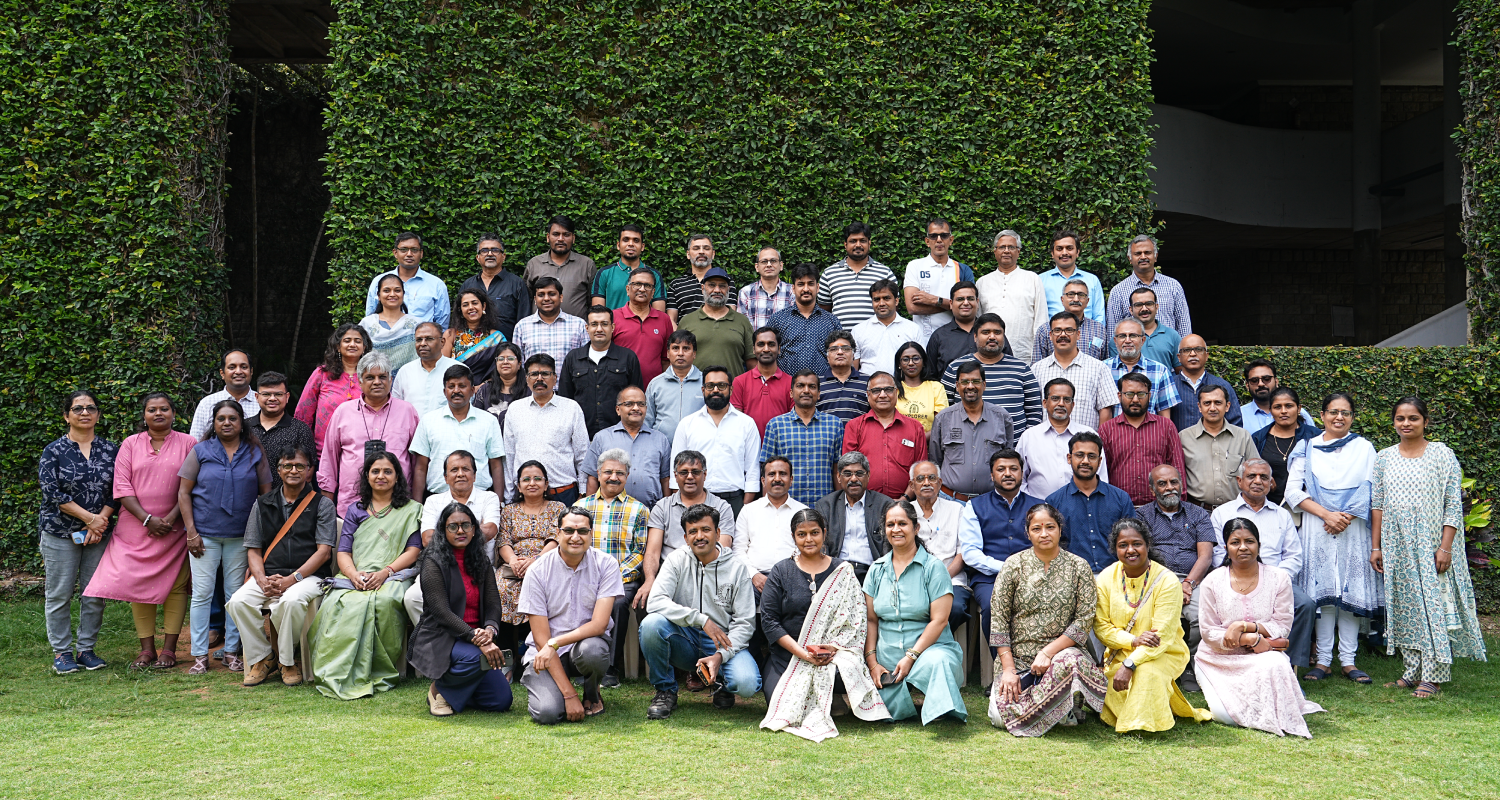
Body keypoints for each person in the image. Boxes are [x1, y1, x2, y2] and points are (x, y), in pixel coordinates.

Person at [1371, 396, 1487, 697]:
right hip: (1396, 544)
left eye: (1413, 418)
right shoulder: (1384, 457)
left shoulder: (1441, 454)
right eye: (1400, 418)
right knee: (1404, 606)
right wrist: (1376, 546)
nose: (1406, 424)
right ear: (1393, 421)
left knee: (1432, 607)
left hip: (1432, 544)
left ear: (1425, 421)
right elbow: (1378, 504)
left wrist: (1445, 547)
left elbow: (1452, 503)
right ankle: (1411, 671)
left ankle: (1433, 676)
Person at [760, 509, 892, 739]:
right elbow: (769, 621)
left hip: (834, 654)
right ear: (793, 536)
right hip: (789, 655)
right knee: (778, 701)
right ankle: (830, 703)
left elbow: (856, 620)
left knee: (844, 676)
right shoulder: (782, 571)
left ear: (824, 533)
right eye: (802, 534)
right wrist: (804, 653)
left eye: (814, 533)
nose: (808, 539)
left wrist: (832, 648)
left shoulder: (842, 570)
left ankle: (832, 698)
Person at [85, 393, 193, 670]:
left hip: (175, 527)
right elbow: (121, 487)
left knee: (176, 587)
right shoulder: (130, 444)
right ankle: (147, 650)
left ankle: (169, 650)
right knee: (138, 588)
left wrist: (168, 519)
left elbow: (193, 486)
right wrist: (147, 520)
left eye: (164, 409)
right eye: (152, 410)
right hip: (135, 527)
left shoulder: (189, 443)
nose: (158, 414)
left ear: (173, 413)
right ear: (143, 415)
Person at [1195, 517, 1324, 737]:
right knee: (1226, 716)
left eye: (1249, 541)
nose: (1243, 547)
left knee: (1275, 663)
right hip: (1218, 660)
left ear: (1259, 545)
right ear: (1226, 547)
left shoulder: (1278, 578)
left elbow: (1282, 626)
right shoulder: (1212, 581)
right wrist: (1249, 639)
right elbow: (1208, 631)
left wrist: (1243, 626)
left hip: (1263, 656)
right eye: (1235, 542)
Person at [310, 451, 423, 699]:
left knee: (384, 601)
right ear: (367, 476)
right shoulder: (356, 510)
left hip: (394, 575)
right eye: (375, 471)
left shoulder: (411, 509)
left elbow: (414, 550)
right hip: (355, 575)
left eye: (387, 471)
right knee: (336, 604)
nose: (381, 476)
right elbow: (343, 551)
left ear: (397, 477)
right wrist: (352, 575)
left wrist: (385, 572)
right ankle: (338, 669)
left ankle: (379, 669)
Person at [987, 503, 1107, 735]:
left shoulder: (1078, 566)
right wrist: (1009, 669)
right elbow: (999, 619)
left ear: (1060, 530)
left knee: (1070, 660)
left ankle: (1061, 705)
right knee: (1000, 718)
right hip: (1020, 658)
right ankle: (1058, 709)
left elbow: (1083, 620)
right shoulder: (1013, 565)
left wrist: (1048, 652)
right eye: (1036, 528)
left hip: (1061, 656)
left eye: (1050, 527)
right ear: (1028, 533)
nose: (1044, 534)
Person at [228, 444, 335, 687]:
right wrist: (262, 579)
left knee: (291, 600)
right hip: (270, 574)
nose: (294, 470)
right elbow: (253, 550)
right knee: (238, 602)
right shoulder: (262, 503)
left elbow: (324, 553)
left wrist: (292, 579)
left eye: (300, 466)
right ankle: (263, 657)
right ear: (279, 470)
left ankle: (287, 661)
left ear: (309, 470)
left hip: (310, 576)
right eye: (288, 465)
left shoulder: (322, 504)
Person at [642, 504, 761, 718]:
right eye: (693, 532)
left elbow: (745, 623)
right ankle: (665, 690)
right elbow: (655, 601)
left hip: (722, 640)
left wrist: (720, 656)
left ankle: (723, 684)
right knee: (651, 624)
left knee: (747, 684)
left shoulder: (736, 567)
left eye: (706, 530)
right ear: (686, 538)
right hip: (684, 637)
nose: (699, 536)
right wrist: (699, 619)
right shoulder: (676, 559)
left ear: (717, 533)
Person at [1093, 519, 1212, 732]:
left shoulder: (1167, 581)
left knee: (1146, 672)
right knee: (1120, 684)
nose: (1130, 550)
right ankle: (1148, 708)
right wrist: (1133, 641)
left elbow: (1163, 636)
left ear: (1148, 545)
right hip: (1120, 652)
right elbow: (1101, 627)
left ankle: (1141, 724)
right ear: (1115, 549)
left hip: (1164, 652)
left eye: (1136, 543)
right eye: (1123, 545)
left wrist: (1131, 664)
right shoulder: (1105, 578)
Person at [179, 399, 271, 674]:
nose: (227, 423)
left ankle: (231, 651)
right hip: (204, 536)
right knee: (202, 595)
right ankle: (198, 656)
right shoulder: (201, 451)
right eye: (221, 419)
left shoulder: (255, 452)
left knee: (235, 595)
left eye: (233, 418)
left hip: (240, 538)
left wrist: (258, 535)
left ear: (242, 423)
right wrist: (191, 533)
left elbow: (265, 496)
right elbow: (183, 493)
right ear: (214, 423)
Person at [863, 500, 967, 724]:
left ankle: (941, 712)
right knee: (882, 713)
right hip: (887, 654)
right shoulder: (876, 569)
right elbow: (871, 620)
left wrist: (911, 656)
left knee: (938, 661)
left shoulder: (933, 567)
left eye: (903, 523)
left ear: (916, 528)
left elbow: (939, 621)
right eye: (890, 525)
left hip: (928, 650)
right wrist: (872, 662)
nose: (896, 529)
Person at [38, 390, 119, 674]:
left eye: (91, 408)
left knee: (94, 593)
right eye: (78, 408)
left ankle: (86, 649)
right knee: (59, 594)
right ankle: (62, 653)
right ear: (66, 415)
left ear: (98, 415)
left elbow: (118, 490)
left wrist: (100, 522)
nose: (85, 413)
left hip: (99, 534)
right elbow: (51, 493)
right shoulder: (53, 451)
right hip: (60, 533)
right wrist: (89, 519)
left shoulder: (111, 450)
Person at [518, 506, 622, 723]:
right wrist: (569, 695)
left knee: (593, 650)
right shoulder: (537, 571)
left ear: (591, 534)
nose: (576, 537)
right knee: (547, 713)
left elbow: (599, 625)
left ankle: (592, 693)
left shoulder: (606, 565)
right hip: (545, 654)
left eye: (583, 531)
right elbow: (540, 639)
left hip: (581, 649)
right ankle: (561, 692)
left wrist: (555, 642)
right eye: (568, 531)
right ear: (558, 534)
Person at [410, 502, 513, 716]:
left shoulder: (480, 560)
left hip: (476, 636)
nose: (460, 531)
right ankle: (439, 690)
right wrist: (477, 637)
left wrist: (490, 631)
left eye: (466, 525)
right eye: (453, 526)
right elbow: (441, 612)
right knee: (476, 659)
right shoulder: (432, 562)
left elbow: (493, 603)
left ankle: (459, 692)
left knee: (500, 701)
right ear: (443, 530)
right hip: (443, 635)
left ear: (474, 529)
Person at [1210, 460, 1315, 670]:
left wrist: (1273, 580)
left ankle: (1289, 669)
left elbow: (1294, 556)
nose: (1258, 481)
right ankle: (1235, 664)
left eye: (1264, 477)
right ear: (1240, 481)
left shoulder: (1281, 515)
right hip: (1235, 580)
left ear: (1271, 483)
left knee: (1305, 604)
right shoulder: (1222, 513)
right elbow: (1218, 555)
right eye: (1251, 476)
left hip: (1276, 581)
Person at [1133, 464, 1216, 690]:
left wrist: (1188, 584)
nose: (1169, 488)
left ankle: (1189, 663)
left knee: (1201, 616)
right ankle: (1162, 662)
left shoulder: (1199, 514)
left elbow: (1206, 556)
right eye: (1162, 483)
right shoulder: (1141, 515)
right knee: (1156, 617)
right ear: (1152, 490)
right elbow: (1142, 556)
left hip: (1194, 579)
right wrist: (1171, 585)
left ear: (1181, 485)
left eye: (1173, 482)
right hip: (1156, 579)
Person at [575, 448, 649, 687]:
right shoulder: (581, 507)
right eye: (608, 472)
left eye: (619, 472)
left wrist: (614, 576)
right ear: (598, 473)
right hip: (585, 575)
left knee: (617, 603)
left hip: (623, 580)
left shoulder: (639, 510)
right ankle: (576, 664)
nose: (613, 477)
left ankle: (609, 669)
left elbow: (640, 551)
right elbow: (573, 547)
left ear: (627, 475)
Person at [316, 352, 420, 518]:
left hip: (398, 508)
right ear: (360, 381)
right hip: (352, 507)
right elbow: (329, 461)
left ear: (390, 380)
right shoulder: (343, 412)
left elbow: (417, 463)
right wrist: (326, 513)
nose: (377, 382)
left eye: (382, 377)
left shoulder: (407, 411)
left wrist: (416, 504)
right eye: (370, 377)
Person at [406, 451, 504, 626]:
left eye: (466, 469)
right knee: (413, 598)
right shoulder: (433, 501)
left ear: (474, 475)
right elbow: (427, 539)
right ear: (445, 477)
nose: (460, 473)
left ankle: (471, 639)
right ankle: (439, 641)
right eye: (454, 470)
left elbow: (490, 530)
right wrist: (471, 529)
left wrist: (446, 531)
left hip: (478, 569)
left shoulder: (489, 498)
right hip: (442, 570)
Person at [960, 450, 1043, 639]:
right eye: (1001, 469)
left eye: (1014, 468)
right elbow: (970, 553)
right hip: (990, 578)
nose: (1008, 473)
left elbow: (1047, 546)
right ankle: (1002, 664)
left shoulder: (1039, 507)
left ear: (1022, 473)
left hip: (1033, 575)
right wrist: (1006, 568)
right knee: (993, 606)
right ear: (992, 475)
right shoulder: (975, 506)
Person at [644, 451, 740, 605]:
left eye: (695, 472)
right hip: (670, 576)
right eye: (683, 472)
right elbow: (652, 552)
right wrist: (650, 579)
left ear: (705, 474)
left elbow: (722, 549)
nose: (689, 477)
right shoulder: (662, 507)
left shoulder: (721, 507)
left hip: (708, 574)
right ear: (675, 476)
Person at [671, 366, 761, 517]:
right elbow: (676, 471)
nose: (715, 390)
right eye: (710, 386)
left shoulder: (747, 424)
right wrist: (684, 505)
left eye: (722, 385)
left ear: (731, 390)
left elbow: (752, 470)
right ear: (703, 390)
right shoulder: (687, 424)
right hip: (695, 500)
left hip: (735, 500)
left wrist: (745, 507)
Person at [495, 460, 562, 662]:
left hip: (547, 563)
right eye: (526, 479)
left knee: (536, 588)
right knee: (501, 587)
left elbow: (558, 538)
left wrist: (536, 560)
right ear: (518, 486)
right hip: (513, 565)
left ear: (546, 484)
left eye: (537, 479)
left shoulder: (558, 508)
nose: (532, 483)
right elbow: (503, 540)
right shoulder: (509, 510)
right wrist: (514, 560)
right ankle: (506, 658)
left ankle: (529, 657)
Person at [409, 365, 506, 502]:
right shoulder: (428, 421)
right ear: (444, 391)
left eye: (462, 386)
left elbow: (496, 465)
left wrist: (499, 503)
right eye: (451, 386)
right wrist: (418, 507)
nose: (456, 391)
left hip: (481, 500)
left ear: (472, 390)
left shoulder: (489, 421)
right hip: (437, 500)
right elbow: (420, 467)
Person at [503, 354, 589, 505]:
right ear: (526, 378)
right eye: (534, 374)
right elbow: (509, 456)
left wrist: (583, 493)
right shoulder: (515, 409)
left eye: (545, 374)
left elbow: (582, 454)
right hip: (525, 496)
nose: (539, 379)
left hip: (564, 494)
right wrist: (509, 496)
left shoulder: (571, 408)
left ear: (555, 378)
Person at [1044, 432, 1135, 573]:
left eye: (1091, 456)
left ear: (1099, 461)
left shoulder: (1120, 498)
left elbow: (1131, 541)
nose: (1085, 461)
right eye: (1079, 455)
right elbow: (1050, 546)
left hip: (1115, 578)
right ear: (1069, 458)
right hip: (1071, 578)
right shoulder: (1054, 502)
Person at [938, 314, 1043, 433]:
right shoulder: (955, 368)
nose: (992, 337)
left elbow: (1034, 412)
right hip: (967, 446)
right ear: (975, 337)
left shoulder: (1022, 369)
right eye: (986, 332)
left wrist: (1024, 442)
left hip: (1014, 448)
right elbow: (945, 410)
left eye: (997, 332)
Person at [929, 360, 1015, 501]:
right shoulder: (943, 419)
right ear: (957, 386)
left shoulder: (1002, 417)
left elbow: (1008, 460)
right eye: (964, 382)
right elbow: (935, 461)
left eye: (975, 381)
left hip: (991, 501)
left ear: (984, 385)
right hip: (951, 501)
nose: (970, 386)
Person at [759, 370, 845, 507]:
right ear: (791, 393)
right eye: (800, 386)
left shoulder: (834, 424)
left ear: (819, 393)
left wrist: (839, 506)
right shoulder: (775, 425)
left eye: (812, 386)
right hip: (786, 506)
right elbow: (766, 471)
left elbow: (837, 470)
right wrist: (766, 508)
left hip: (824, 506)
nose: (806, 390)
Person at [1099, 373, 1186, 506]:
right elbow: (1102, 472)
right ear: (1119, 396)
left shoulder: (1166, 426)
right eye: (1129, 394)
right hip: (1119, 506)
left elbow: (1177, 467)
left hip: (1159, 508)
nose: (1135, 400)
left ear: (1149, 396)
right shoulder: (1107, 429)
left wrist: (1180, 503)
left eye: (1141, 394)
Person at [558, 305, 645, 438]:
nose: (599, 329)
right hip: (582, 435)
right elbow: (565, 401)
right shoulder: (573, 358)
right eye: (594, 324)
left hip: (620, 435)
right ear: (587, 328)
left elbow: (636, 399)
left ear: (613, 327)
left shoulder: (628, 357)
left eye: (604, 324)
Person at [1016, 378, 1108, 499]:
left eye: (1066, 399)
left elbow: (1101, 478)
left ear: (1073, 405)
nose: (1061, 403)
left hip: (1081, 509)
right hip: (1039, 510)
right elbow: (1019, 478)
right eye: (1055, 398)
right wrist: (1030, 505)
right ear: (1044, 403)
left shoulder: (1089, 435)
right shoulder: (1029, 436)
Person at [842, 371, 929, 500]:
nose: (882, 395)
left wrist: (905, 498)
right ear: (868, 395)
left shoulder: (915, 427)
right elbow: (849, 469)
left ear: (897, 392)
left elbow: (921, 470)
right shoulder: (854, 426)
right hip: (865, 504)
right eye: (876, 390)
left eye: (888, 390)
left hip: (905, 504)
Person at [584, 386, 671, 508]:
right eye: (629, 404)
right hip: (609, 512)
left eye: (641, 404)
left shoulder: (660, 439)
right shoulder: (602, 438)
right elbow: (592, 477)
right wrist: (589, 512)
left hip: (652, 513)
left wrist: (666, 512)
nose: (636, 408)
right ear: (618, 409)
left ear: (646, 408)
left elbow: (665, 479)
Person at [817, 452, 895, 583]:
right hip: (836, 574)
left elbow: (889, 547)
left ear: (868, 476)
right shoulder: (826, 506)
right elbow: (822, 546)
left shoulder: (884, 505)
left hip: (873, 575)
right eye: (847, 474)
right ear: (838, 477)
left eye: (859, 473)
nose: (853, 479)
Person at [909, 461, 969, 630]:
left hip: (951, 580)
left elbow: (962, 553)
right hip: (913, 580)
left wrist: (940, 578)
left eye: (932, 478)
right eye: (920, 478)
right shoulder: (905, 512)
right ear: (912, 485)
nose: (926, 483)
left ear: (940, 483)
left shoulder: (957, 509)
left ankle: (942, 649)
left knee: (955, 609)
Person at [1030, 311, 1116, 426]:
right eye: (1057, 330)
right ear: (1050, 335)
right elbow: (1032, 409)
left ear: (1078, 334)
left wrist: (1098, 442)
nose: (1063, 335)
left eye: (1069, 330)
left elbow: (1105, 409)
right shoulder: (1037, 369)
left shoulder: (1098, 368)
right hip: (1046, 442)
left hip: (1086, 442)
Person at [1179, 384, 1257, 511]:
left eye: (1218, 403)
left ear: (1227, 406)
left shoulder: (1242, 436)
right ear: (1199, 407)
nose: (1212, 408)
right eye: (1207, 403)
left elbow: (1255, 472)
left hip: (1236, 510)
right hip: (1197, 512)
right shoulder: (1184, 438)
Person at [295, 323, 371, 453]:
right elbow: (303, 414)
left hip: (361, 453)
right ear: (338, 347)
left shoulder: (371, 376)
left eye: (357, 341)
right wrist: (305, 451)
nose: (352, 344)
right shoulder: (322, 374)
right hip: (323, 452)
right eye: (347, 341)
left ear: (364, 347)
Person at [732, 458, 807, 588]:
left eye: (783, 474)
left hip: (794, 578)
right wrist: (753, 575)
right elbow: (738, 550)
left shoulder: (803, 512)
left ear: (791, 480)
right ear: (763, 481)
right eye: (771, 474)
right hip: (754, 578)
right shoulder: (748, 510)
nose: (777, 479)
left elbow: (809, 548)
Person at [975, 229, 1048, 363]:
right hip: (989, 354)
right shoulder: (982, 282)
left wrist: (1038, 355)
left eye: (1011, 247)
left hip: (1024, 355)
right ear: (995, 251)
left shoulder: (1032, 279)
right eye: (1002, 247)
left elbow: (1041, 319)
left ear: (1018, 251)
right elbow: (978, 320)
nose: (1007, 251)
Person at [903, 218, 976, 341]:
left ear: (951, 240)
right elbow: (912, 308)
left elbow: (970, 308)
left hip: (956, 339)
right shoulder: (915, 266)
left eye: (944, 235)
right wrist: (952, 306)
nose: (939, 240)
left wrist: (935, 300)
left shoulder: (963, 270)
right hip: (922, 339)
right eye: (933, 236)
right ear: (927, 241)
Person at [674, 267, 754, 378]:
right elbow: (677, 359)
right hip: (695, 391)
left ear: (728, 290)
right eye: (711, 285)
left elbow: (752, 362)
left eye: (722, 286)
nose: (717, 290)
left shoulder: (742, 321)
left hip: (733, 391)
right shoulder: (687, 321)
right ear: (703, 288)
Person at [1106, 235, 1192, 336]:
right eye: (1138, 253)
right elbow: (1113, 332)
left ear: (1155, 256)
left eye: (1147, 252)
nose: (1143, 257)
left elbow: (1184, 326)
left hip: (1169, 350)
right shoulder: (1118, 292)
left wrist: (1185, 350)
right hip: (1133, 351)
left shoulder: (1173, 286)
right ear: (1130, 258)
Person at [1251, 386, 1322, 506]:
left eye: (1289, 406)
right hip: (1269, 506)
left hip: (1307, 508)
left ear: (1298, 408)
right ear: (1270, 410)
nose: (1283, 411)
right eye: (1277, 407)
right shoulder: (1259, 438)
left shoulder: (1315, 436)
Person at [819, 221, 898, 330]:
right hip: (840, 341)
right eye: (853, 241)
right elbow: (824, 311)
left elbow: (893, 308)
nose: (858, 245)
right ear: (845, 245)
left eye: (863, 241)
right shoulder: (829, 273)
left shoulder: (885, 273)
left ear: (869, 243)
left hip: (876, 339)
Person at [768, 262, 840, 378]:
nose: (806, 289)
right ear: (793, 288)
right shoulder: (778, 320)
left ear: (817, 287)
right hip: (787, 387)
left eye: (810, 284)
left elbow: (839, 356)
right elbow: (769, 354)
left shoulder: (831, 321)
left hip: (823, 387)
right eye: (801, 284)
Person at [363, 232, 451, 327]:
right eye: (404, 249)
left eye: (414, 250)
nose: (409, 254)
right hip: (384, 339)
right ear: (395, 253)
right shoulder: (379, 281)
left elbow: (442, 324)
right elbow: (370, 319)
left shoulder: (436, 284)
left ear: (421, 253)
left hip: (422, 340)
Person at [246, 372, 315, 492]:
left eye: (278, 394)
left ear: (287, 397)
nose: (272, 399)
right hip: (247, 498)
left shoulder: (300, 430)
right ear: (256, 397)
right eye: (266, 394)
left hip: (288, 502)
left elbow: (308, 473)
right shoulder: (244, 427)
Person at [457, 233, 530, 339]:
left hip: (506, 350)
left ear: (503, 256)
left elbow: (524, 322)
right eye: (484, 251)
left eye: (495, 250)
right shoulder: (468, 285)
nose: (490, 254)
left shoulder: (516, 284)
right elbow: (459, 319)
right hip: (473, 350)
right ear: (478, 257)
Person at [524, 215, 597, 319]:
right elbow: (527, 300)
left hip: (576, 331)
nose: (561, 239)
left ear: (573, 238)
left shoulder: (586, 265)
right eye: (556, 234)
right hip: (539, 330)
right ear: (548, 237)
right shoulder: (534, 264)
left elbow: (592, 302)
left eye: (566, 235)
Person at [1103, 318, 1179, 417]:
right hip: (1113, 432)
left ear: (1143, 340)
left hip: (1150, 432)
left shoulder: (1160, 370)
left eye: (1133, 336)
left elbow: (1164, 415)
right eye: (1122, 336)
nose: (1127, 341)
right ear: (1115, 341)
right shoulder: (1103, 369)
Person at [612, 267, 674, 386]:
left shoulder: (664, 319)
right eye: (637, 284)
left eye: (647, 286)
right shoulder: (613, 317)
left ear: (653, 292)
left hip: (655, 390)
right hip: (620, 388)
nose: (642, 289)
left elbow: (666, 360)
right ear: (628, 289)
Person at [1170, 335, 1242, 431]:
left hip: (1216, 444)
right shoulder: (1169, 386)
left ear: (1206, 356)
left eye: (1198, 349)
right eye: (1187, 350)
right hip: (1178, 445)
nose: (1192, 354)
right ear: (1179, 357)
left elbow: (1235, 424)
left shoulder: (1222, 386)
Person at [851, 279, 921, 378]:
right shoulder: (858, 330)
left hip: (904, 388)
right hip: (867, 389)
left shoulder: (913, 329)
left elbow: (920, 364)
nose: (881, 303)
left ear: (896, 301)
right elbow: (853, 369)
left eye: (886, 298)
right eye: (876, 299)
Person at [644, 329, 704, 443]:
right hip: (662, 448)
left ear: (694, 354)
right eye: (675, 348)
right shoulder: (656, 384)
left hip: (696, 447)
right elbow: (647, 420)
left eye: (686, 348)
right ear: (668, 353)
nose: (680, 353)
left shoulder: (705, 383)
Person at [511, 276, 589, 364]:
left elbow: (587, 361)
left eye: (552, 294)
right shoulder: (522, 326)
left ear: (561, 297)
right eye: (541, 295)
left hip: (571, 378)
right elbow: (517, 363)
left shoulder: (579, 325)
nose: (546, 298)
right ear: (535, 300)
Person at [731, 327, 793, 434]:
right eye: (761, 344)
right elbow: (736, 421)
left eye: (771, 344)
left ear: (779, 349)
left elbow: (793, 421)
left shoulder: (791, 383)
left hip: (781, 447)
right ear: (753, 349)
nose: (766, 349)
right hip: (749, 447)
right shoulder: (740, 382)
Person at [591, 224, 666, 311]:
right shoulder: (604, 274)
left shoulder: (654, 275)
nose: (631, 244)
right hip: (614, 324)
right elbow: (598, 314)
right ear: (618, 245)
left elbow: (659, 315)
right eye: (626, 240)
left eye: (636, 240)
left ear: (642, 246)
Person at [393, 322, 461, 416]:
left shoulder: (458, 370)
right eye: (419, 340)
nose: (423, 344)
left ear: (442, 342)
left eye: (429, 339)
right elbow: (395, 408)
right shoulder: (405, 372)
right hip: (412, 430)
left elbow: (465, 407)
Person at [189, 349, 260, 439]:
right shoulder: (207, 403)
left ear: (251, 371)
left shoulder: (262, 402)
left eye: (244, 367)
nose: (238, 371)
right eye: (232, 367)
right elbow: (195, 441)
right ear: (222, 373)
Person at [1032, 278, 1108, 361]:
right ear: (1062, 300)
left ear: (1087, 301)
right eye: (1071, 294)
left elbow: (1105, 361)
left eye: (1081, 295)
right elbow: (1037, 366)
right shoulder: (1046, 329)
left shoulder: (1099, 329)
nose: (1076, 299)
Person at [667, 234, 739, 322]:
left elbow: (731, 315)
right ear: (688, 254)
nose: (701, 252)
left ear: (713, 254)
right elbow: (671, 320)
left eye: (706, 248)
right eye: (696, 248)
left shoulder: (726, 282)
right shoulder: (676, 284)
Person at [1037, 229, 1104, 324]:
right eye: (1059, 249)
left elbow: (1099, 317)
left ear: (1077, 252)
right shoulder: (1040, 280)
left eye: (1069, 248)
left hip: (1087, 336)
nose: (1064, 253)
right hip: (1051, 336)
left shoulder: (1092, 280)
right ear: (1052, 253)